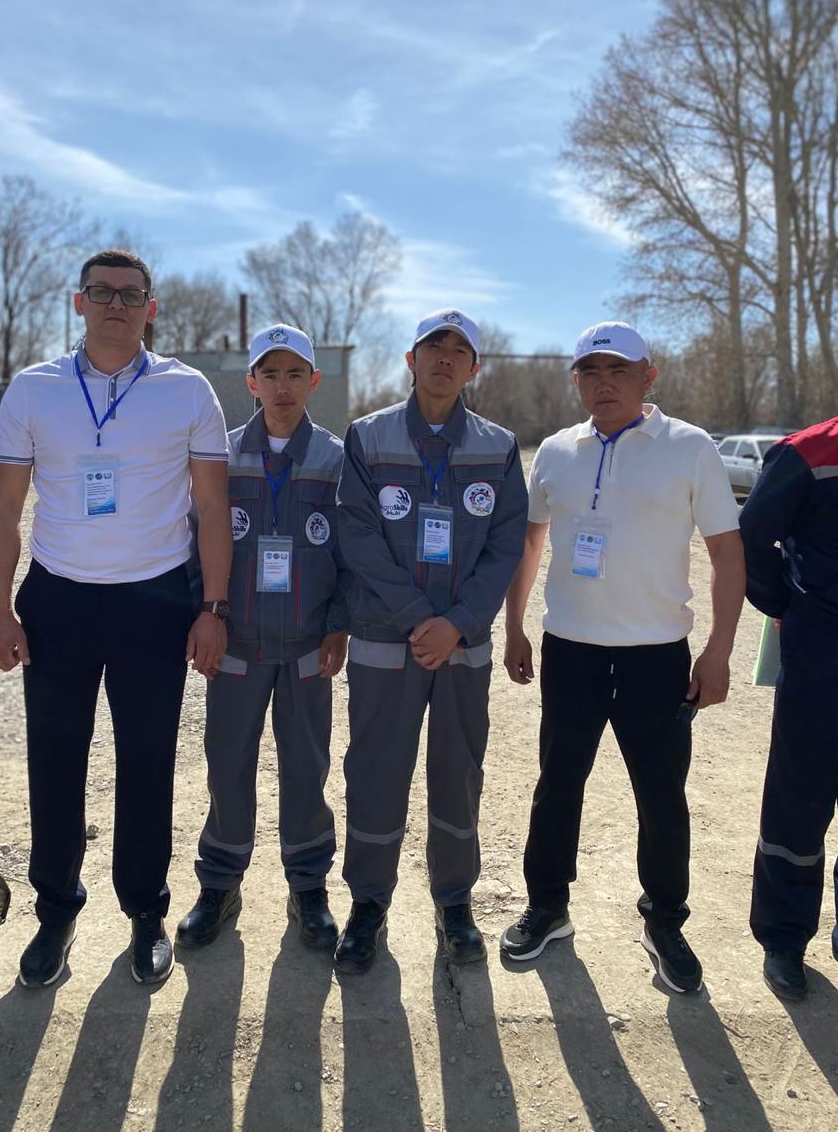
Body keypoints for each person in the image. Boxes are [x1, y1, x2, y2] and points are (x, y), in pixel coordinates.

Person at [0, 250, 231, 988]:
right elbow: (4, 510)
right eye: (102, 292)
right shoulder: (34, 389)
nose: (116, 305)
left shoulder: (187, 391)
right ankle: (56, 912)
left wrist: (212, 608)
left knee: (148, 760)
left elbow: (213, 507)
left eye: (131, 294)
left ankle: (145, 911)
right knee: (55, 758)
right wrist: (0, 610)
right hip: (59, 599)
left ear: (151, 307)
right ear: (78, 302)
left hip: (153, 601)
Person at [500, 321, 744, 994]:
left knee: (661, 795)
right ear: (575, 380)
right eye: (590, 371)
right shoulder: (556, 452)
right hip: (571, 651)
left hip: (656, 657)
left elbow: (727, 554)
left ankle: (664, 920)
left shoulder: (689, 448)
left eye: (618, 370)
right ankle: (548, 907)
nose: (603, 383)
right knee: (558, 784)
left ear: (647, 376)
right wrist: (514, 626)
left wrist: (719, 651)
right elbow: (529, 543)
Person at [333, 310, 528, 974]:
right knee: (375, 772)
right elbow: (357, 534)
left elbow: (506, 545)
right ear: (410, 360)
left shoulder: (499, 447)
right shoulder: (369, 436)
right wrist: (422, 616)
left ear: (476, 368)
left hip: (462, 647)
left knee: (458, 772)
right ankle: (368, 903)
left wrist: (459, 621)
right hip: (387, 641)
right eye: (432, 346)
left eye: (459, 350)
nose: (445, 358)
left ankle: (454, 901)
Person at [177, 325, 349, 952]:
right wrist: (206, 614)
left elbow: (353, 550)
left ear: (313, 381)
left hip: (306, 647)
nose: (283, 386)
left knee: (306, 766)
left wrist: (338, 623)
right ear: (251, 382)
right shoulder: (220, 456)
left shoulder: (335, 459)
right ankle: (220, 885)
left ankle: (308, 888)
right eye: (270, 374)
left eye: (295, 373)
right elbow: (193, 539)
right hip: (238, 645)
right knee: (228, 765)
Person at [739, 414, 838, 1001]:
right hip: (821, 653)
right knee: (799, 797)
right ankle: (783, 937)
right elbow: (752, 535)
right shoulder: (808, 454)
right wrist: (785, 604)